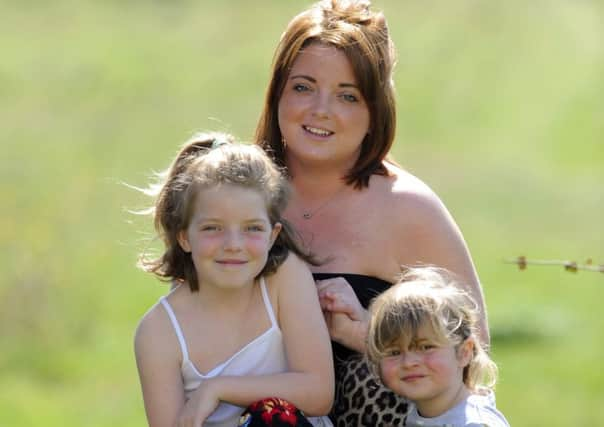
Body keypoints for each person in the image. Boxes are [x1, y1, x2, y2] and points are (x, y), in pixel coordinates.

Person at [255, 0, 490, 424]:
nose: (320, 109)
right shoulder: (235, 196)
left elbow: (472, 371)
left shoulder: (409, 209)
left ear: (374, 113)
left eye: (347, 96)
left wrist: (369, 337)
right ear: (277, 93)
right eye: (303, 87)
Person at [134, 132, 334, 427]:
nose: (233, 244)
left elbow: (319, 392)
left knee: (270, 419)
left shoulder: (284, 277)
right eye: (213, 228)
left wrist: (217, 388)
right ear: (184, 237)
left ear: (272, 235)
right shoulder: (159, 332)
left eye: (252, 228)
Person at [366, 267, 509, 427]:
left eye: (426, 347)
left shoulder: (475, 423)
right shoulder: (418, 414)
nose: (408, 362)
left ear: (464, 352)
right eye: (394, 352)